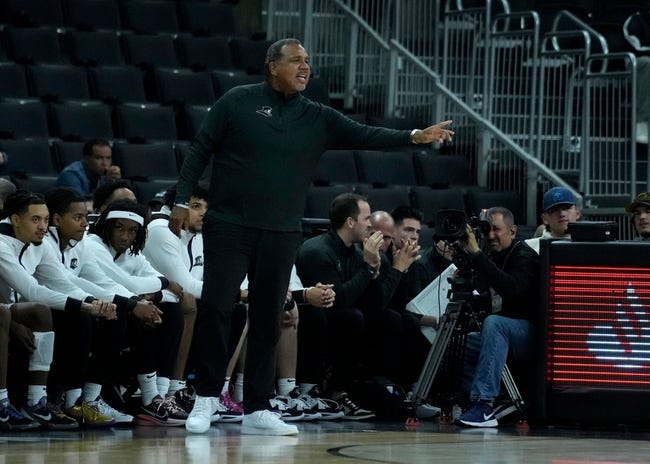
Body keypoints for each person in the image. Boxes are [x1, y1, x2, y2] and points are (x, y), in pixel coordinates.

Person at [170, 37, 453, 435]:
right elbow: (199, 150)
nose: (306, 68)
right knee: (218, 307)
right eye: (296, 61)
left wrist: (413, 136)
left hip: (282, 230)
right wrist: (181, 201)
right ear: (272, 65)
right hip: (230, 224)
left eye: (308, 62)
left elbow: (366, 134)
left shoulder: (317, 117)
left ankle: (257, 407)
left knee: (270, 315)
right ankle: (206, 398)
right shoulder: (237, 101)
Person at [0, 190, 116, 429]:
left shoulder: (39, 244)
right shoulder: (1, 243)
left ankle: (38, 400)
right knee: (9, 313)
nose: (43, 226)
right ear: (15, 220)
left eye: (45, 219)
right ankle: (2, 401)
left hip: (9, 308)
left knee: (46, 312)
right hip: (4, 311)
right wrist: (87, 306)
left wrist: (95, 304)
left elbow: (62, 284)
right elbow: (32, 290)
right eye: (35, 219)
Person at [296, 193, 419, 418]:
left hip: (343, 316)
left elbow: (377, 303)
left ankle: (379, 388)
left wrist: (377, 269)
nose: (370, 224)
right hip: (311, 317)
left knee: (392, 319)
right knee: (352, 317)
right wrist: (368, 268)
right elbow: (337, 300)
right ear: (350, 222)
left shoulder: (357, 252)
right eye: (366, 219)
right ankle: (336, 391)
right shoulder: (317, 250)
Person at [86, 200, 187, 426]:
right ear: (107, 226)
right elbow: (126, 282)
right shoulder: (92, 245)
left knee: (171, 310)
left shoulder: (133, 254)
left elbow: (176, 293)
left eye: (132, 231)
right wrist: (161, 283)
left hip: (121, 310)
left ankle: (157, 397)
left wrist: (153, 296)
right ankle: (90, 398)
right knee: (130, 312)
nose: (125, 236)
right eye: (119, 228)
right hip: (92, 311)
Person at [450, 207, 539, 428]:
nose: (490, 236)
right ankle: (471, 400)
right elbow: (491, 297)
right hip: (506, 331)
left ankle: (485, 405)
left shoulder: (525, 255)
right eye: (487, 230)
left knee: (494, 324)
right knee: (456, 345)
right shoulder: (495, 255)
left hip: (532, 335)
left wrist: (478, 256)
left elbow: (511, 289)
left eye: (497, 230)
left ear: (513, 230)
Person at [56, 139, 122, 197]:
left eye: (108, 158)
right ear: (86, 159)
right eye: (99, 158)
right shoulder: (70, 175)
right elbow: (80, 204)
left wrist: (115, 183)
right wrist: (107, 186)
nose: (105, 163)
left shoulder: (107, 174)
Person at [525, 187, 580, 253]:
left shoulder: (590, 245)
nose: (562, 214)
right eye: (554, 210)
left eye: (566, 208)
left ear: (577, 213)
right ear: (544, 218)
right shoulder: (529, 248)